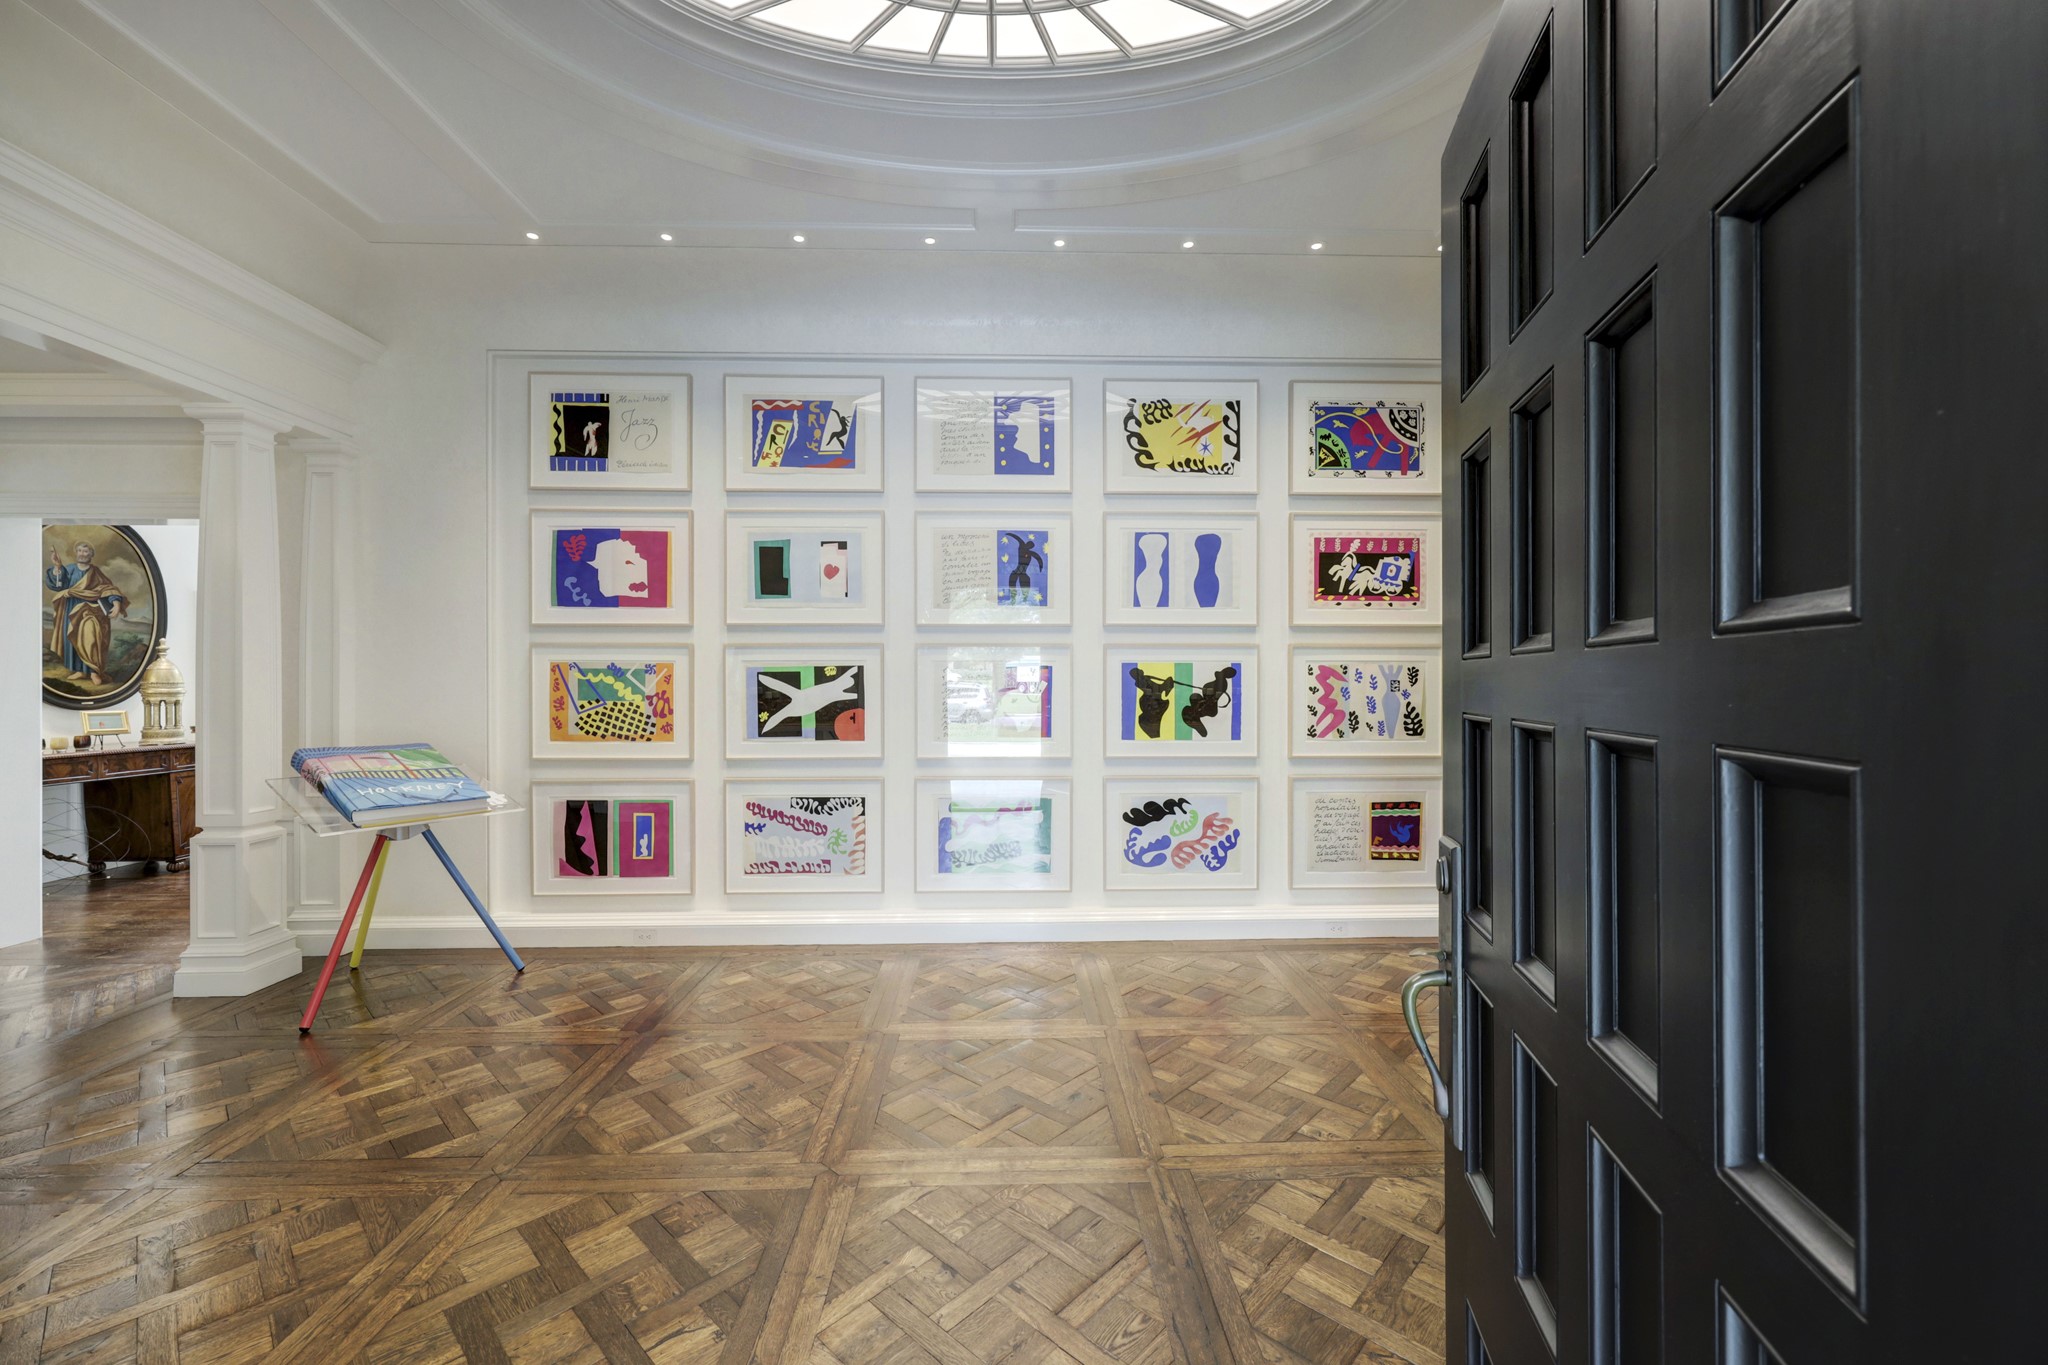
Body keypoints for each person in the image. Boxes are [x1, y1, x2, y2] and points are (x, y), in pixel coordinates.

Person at [45, 541, 127, 684]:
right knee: (73, 638)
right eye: (79, 551)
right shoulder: (69, 569)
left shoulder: (96, 572)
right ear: (76, 553)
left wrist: (116, 602)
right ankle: (80, 671)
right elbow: (58, 585)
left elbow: (107, 588)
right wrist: (57, 567)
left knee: (91, 636)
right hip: (71, 609)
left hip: (91, 609)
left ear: (91, 554)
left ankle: (94, 671)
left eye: (85, 551)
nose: (82, 554)